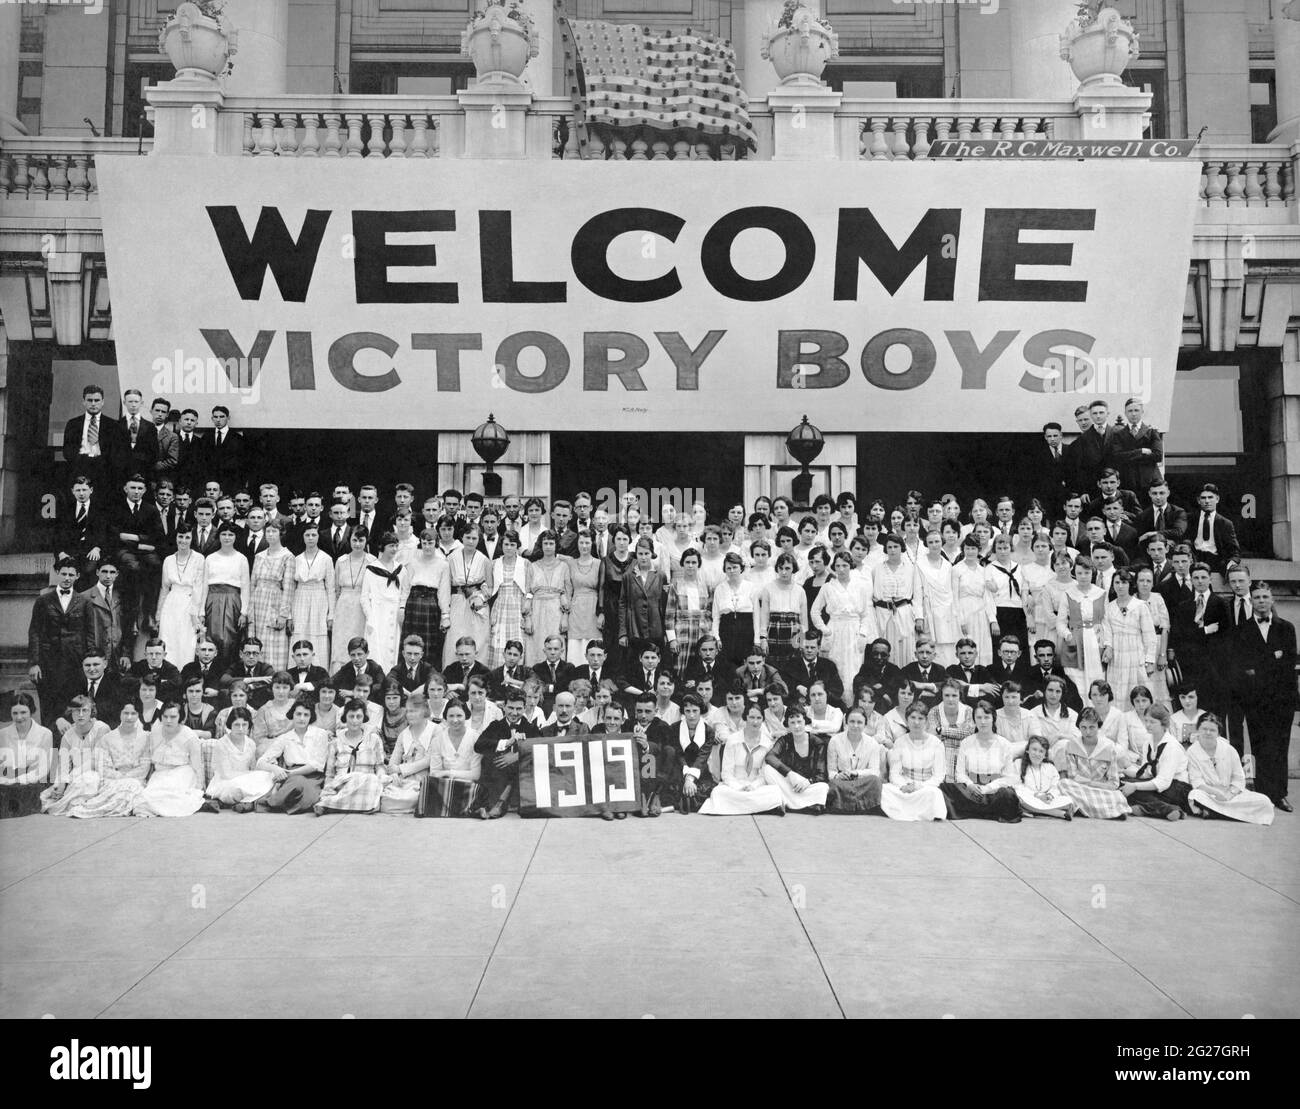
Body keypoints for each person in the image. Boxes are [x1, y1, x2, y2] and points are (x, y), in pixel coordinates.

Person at [27, 557, 90, 724]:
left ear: (77, 576)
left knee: (74, 709)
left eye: (71, 574)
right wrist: (34, 663)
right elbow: (34, 632)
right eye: (63, 574)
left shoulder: (84, 602)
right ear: (57, 574)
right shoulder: (43, 601)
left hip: (75, 664)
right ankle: (51, 747)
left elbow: (90, 634)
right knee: (49, 709)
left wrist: (88, 663)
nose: (67, 578)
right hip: (48, 664)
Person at [1186, 713, 1274, 824]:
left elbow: (1239, 778)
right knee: (1194, 795)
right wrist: (1216, 793)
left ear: (1218, 733)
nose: (1208, 733)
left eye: (1212, 730)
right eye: (1204, 729)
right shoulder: (1192, 752)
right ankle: (1235, 814)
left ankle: (1215, 813)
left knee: (1264, 801)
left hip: (1232, 795)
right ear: (1198, 730)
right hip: (1209, 795)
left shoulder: (1229, 749)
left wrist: (1230, 794)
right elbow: (1196, 781)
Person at [699, 702, 785, 816]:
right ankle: (761, 807)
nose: (755, 722)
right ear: (745, 719)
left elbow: (763, 774)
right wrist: (739, 787)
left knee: (775, 791)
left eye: (759, 718)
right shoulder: (733, 740)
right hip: (734, 786)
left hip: (756, 787)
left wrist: (753, 786)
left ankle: (737, 807)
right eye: (752, 717)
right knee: (718, 792)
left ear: (763, 720)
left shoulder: (767, 743)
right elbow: (726, 773)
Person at [941, 700, 1021, 822]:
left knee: (1008, 794)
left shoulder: (1004, 744)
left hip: (993, 793)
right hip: (971, 792)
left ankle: (977, 812)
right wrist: (970, 785)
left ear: (993, 719)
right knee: (946, 786)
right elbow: (959, 773)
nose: (982, 722)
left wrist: (988, 788)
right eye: (979, 717)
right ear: (974, 720)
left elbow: (1009, 777)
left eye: (986, 717)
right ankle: (984, 812)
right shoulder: (966, 743)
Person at [810, 551, 875, 694]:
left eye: (844, 565)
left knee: (854, 668)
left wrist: (863, 634)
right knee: (835, 666)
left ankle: (853, 706)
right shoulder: (828, 587)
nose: (841, 569)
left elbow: (865, 614)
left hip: (854, 631)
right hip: (835, 631)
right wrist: (825, 629)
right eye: (837, 566)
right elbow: (814, 612)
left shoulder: (860, 587)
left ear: (850, 566)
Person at [473, 689, 540, 819]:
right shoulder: (496, 725)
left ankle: (498, 804)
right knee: (489, 758)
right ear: (503, 707)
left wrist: (516, 756)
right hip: (496, 773)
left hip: (520, 775)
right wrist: (505, 743)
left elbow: (540, 749)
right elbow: (478, 746)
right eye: (510, 708)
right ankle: (486, 804)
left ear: (525, 708)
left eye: (519, 709)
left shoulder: (531, 728)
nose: (514, 713)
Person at [1054, 707, 1130, 820]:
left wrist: (1092, 784)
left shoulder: (1109, 748)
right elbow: (1073, 777)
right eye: (1083, 727)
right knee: (1063, 784)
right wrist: (1085, 784)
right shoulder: (1071, 745)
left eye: (1092, 727)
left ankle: (1081, 808)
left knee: (1119, 797)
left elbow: (1114, 783)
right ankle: (1107, 811)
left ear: (1098, 727)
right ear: (1078, 727)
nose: (1087, 732)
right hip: (1079, 789)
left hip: (1101, 790)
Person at [255, 699, 330, 814]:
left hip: (314, 777)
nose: (302, 718)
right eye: (298, 714)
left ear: (311, 717)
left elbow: (317, 764)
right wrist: (276, 769)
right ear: (292, 715)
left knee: (311, 799)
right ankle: (277, 803)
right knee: (298, 783)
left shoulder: (320, 734)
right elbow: (261, 762)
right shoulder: (285, 738)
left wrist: (289, 774)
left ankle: (268, 803)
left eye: (306, 715)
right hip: (291, 776)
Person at [313, 699, 386, 815]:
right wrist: (327, 788)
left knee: (372, 780)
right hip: (342, 784)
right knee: (361, 782)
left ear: (364, 719)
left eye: (358, 716)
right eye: (351, 716)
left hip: (366, 785)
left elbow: (380, 766)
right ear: (345, 718)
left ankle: (331, 804)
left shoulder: (374, 739)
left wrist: (380, 779)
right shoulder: (335, 743)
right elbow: (330, 774)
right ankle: (359, 805)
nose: (355, 721)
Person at [1120, 703, 1192, 820]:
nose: (1147, 725)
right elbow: (1146, 773)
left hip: (1178, 788)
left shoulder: (1171, 746)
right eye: (1146, 720)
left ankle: (1168, 809)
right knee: (1121, 783)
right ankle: (1148, 809)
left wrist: (1135, 786)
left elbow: (1163, 782)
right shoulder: (1148, 742)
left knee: (1135, 791)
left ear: (1163, 724)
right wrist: (1123, 771)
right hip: (1159, 785)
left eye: (1152, 722)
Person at [133, 702, 206, 817]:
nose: (168, 720)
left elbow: (198, 765)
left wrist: (199, 787)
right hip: (160, 773)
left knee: (172, 796)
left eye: (173, 717)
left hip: (182, 772)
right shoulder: (155, 733)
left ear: (180, 717)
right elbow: (148, 758)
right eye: (165, 716)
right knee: (147, 797)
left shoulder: (189, 736)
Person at [1099, 568, 1156, 709]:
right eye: (1117, 582)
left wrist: (1149, 660)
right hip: (1117, 656)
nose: (1120, 586)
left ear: (1130, 584)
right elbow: (1107, 632)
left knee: (1138, 691)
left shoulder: (1140, 606)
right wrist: (1109, 646)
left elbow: (1149, 635)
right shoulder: (1110, 608)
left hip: (1136, 654)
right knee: (1118, 692)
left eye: (1124, 582)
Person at [880, 702, 947, 821]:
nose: (916, 722)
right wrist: (904, 786)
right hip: (904, 787)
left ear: (926, 722)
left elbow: (939, 776)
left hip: (925, 787)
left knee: (934, 793)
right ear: (907, 720)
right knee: (885, 789)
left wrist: (919, 786)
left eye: (921, 718)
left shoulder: (936, 744)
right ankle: (906, 810)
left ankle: (915, 811)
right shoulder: (900, 742)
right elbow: (894, 773)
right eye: (913, 718)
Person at [204, 706, 275, 811]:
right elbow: (226, 774)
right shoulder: (222, 744)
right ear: (230, 725)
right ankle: (248, 801)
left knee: (268, 776)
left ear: (249, 726)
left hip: (245, 779)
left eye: (244, 725)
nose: (241, 729)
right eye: (237, 725)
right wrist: (250, 775)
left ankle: (245, 801)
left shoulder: (251, 743)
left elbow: (253, 768)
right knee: (235, 789)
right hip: (226, 782)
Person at [763, 705, 830, 812]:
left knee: (823, 788)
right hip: (790, 784)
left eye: (799, 721)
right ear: (788, 725)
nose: (796, 726)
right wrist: (790, 773)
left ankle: (788, 802)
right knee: (768, 770)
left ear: (805, 722)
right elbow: (770, 757)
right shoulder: (784, 740)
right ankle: (803, 804)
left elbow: (822, 775)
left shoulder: (817, 743)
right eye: (792, 723)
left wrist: (808, 782)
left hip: (808, 786)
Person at [1058, 555, 1106, 700]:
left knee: (1097, 681)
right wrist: (1068, 635)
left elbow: (1106, 621)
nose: (1083, 577)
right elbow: (1060, 622)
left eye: (1087, 573)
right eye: (1079, 573)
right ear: (1074, 573)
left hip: (1096, 641)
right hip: (1076, 642)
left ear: (1092, 573)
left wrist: (1107, 644)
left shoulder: (1101, 593)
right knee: (1079, 685)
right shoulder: (1068, 594)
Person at [445, 525, 493, 668]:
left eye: (474, 538)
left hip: (476, 603)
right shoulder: (451, 558)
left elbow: (490, 586)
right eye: (468, 537)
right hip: (458, 602)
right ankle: (453, 676)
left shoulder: (484, 560)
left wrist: (481, 598)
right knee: (454, 638)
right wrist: (445, 614)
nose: (471, 541)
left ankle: (478, 677)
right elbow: (446, 586)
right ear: (462, 538)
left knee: (478, 639)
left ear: (479, 539)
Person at [202, 524, 250, 668]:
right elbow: (204, 585)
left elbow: (245, 586)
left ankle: (228, 672)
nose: (227, 538)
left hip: (233, 599)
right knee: (213, 636)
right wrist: (201, 611)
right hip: (213, 598)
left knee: (229, 638)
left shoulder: (241, 559)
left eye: (231, 535)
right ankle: (212, 671)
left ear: (235, 537)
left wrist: (244, 612)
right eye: (224, 534)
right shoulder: (210, 558)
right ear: (219, 536)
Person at [0, 693, 55, 818]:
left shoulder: (45, 734)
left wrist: (20, 780)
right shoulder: (2, 734)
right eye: (15, 713)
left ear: (31, 711)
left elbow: (43, 768)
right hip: (7, 781)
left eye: (23, 712)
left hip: (33, 782)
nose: (19, 717)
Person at [360, 534, 406, 673]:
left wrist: (402, 608)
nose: (394, 549)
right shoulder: (372, 569)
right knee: (377, 647)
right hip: (378, 614)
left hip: (395, 614)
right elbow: (364, 597)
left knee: (393, 646)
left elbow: (405, 591)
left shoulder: (401, 569)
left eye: (396, 546)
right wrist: (370, 617)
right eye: (391, 546)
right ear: (383, 547)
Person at [825, 706, 884, 813]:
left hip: (863, 783)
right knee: (833, 784)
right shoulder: (835, 741)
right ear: (846, 722)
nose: (855, 726)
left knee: (875, 781)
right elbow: (831, 772)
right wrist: (838, 776)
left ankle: (848, 806)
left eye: (859, 722)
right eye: (852, 721)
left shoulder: (872, 743)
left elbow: (875, 771)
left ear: (865, 724)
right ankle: (860, 807)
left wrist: (857, 773)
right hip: (843, 783)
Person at [332, 528, 375, 672]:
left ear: (366, 541)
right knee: (341, 642)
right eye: (354, 540)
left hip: (361, 607)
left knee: (359, 639)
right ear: (349, 540)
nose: (357, 544)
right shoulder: (341, 561)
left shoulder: (372, 561)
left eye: (361, 540)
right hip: (343, 605)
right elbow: (336, 588)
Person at [618, 537, 668, 659]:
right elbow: (623, 605)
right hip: (635, 629)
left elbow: (666, 606)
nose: (644, 557)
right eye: (640, 554)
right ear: (636, 554)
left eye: (647, 553)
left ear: (652, 554)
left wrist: (667, 632)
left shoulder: (660, 575)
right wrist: (623, 633)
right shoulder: (628, 576)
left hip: (656, 629)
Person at [666, 548, 711, 679]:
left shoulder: (705, 586)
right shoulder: (676, 585)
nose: (690, 566)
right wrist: (672, 639)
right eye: (687, 562)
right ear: (682, 564)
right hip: (683, 631)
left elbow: (709, 613)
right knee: (681, 666)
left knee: (700, 665)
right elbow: (669, 615)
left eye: (694, 562)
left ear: (699, 564)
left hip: (702, 630)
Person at [490, 530, 531, 668]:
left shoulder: (525, 563)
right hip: (500, 605)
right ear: (501, 545)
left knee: (517, 640)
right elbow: (489, 585)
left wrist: (528, 603)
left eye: (512, 544)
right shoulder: (495, 563)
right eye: (506, 544)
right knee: (498, 641)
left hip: (518, 606)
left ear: (517, 546)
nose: (509, 547)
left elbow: (530, 589)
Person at [757, 553, 807, 667]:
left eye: (787, 568)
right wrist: (763, 638)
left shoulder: (800, 590)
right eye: (781, 568)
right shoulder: (768, 588)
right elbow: (764, 615)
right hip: (774, 630)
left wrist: (803, 640)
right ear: (777, 569)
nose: (784, 572)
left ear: (793, 569)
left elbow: (804, 620)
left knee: (793, 666)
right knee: (774, 665)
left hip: (794, 631)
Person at [566, 530, 604, 668]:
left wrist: (602, 613)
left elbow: (603, 589)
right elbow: (568, 589)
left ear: (592, 543)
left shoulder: (600, 564)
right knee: (575, 646)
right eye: (581, 542)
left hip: (593, 609)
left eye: (587, 542)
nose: (584, 546)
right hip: (576, 609)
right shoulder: (571, 563)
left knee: (593, 645)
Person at [1013, 735, 1075, 819]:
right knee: (1019, 796)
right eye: (1034, 749)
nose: (1037, 754)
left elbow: (1056, 786)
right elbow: (1017, 786)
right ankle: (1059, 813)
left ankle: (1035, 811)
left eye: (1041, 751)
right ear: (1027, 750)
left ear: (1045, 755)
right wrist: (1037, 795)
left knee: (1068, 800)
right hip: (1029, 797)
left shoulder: (1050, 767)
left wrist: (1050, 795)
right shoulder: (1018, 763)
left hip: (1047, 799)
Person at [928, 679, 975, 779]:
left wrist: (942, 730)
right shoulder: (934, 711)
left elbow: (968, 733)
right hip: (941, 755)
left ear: (959, 695)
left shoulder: (968, 710)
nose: (950, 699)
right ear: (942, 695)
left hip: (965, 754)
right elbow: (934, 737)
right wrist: (958, 736)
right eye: (947, 695)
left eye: (954, 695)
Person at [1028, 675, 1079, 754]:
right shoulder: (1033, 713)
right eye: (1050, 690)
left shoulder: (1072, 714)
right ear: (1044, 691)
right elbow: (1034, 738)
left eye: (1058, 691)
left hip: (1065, 756)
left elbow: (1077, 738)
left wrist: (1059, 736)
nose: (1054, 695)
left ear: (1062, 693)